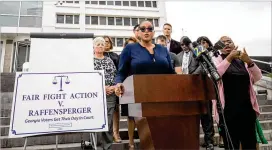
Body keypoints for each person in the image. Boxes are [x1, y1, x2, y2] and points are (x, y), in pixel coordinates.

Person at [115, 20, 175, 149]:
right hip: (139, 97)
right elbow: (121, 72)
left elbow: (171, 73)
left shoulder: (163, 49)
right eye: (143, 29)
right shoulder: (130, 49)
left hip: (161, 97)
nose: (146, 31)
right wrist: (118, 83)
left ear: (153, 32)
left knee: (163, 134)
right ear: (138, 32)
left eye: (149, 29)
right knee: (147, 136)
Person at [212, 36, 262, 150]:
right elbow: (215, 76)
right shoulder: (217, 60)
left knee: (249, 144)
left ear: (234, 45)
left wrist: (248, 60)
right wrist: (229, 58)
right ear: (219, 47)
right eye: (223, 42)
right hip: (228, 111)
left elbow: (258, 76)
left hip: (247, 109)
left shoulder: (242, 61)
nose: (227, 44)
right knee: (231, 144)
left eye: (229, 41)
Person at [177, 36, 214, 150]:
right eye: (182, 44)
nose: (184, 46)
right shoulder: (178, 56)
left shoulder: (197, 51)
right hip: (184, 90)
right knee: (189, 116)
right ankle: (191, 141)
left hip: (200, 87)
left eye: (186, 44)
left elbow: (204, 66)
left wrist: (191, 77)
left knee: (206, 116)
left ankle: (209, 142)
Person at [93, 37, 117, 150]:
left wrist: (112, 87)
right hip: (95, 95)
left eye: (102, 44)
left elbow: (115, 75)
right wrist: (101, 88)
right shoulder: (89, 60)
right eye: (98, 44)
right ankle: (97, 146)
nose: (100, 46)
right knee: (96, 121)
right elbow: (87, 79)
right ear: (93, 46)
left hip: (110, 95)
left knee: (109, 121)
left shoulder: (109, 60)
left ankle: (108, 146)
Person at [196, 36, 216, 149]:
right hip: (194, 88)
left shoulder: (212, 55)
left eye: (204, 42)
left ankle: (209, 141)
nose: (202, 44)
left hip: (207, 89)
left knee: (207, 116)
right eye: (200, 43)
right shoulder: (195, 55)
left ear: (209, 44)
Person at [119, 37, 138, 148]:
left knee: (140, 116)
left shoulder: (140, 59)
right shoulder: (123, 59)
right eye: (128, 46)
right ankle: (131, 143)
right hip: (128, 90)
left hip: (141, 88)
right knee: (130, 117)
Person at [103, 36, 121, 143]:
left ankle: (116, 133)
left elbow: (119, 71)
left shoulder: (115, 56)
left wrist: (114, 86)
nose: (105, 44)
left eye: (107, 42)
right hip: (102, 88)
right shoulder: (96, 55)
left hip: (114, 87)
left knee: (115, 110)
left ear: (110, 43)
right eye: (103, 42)